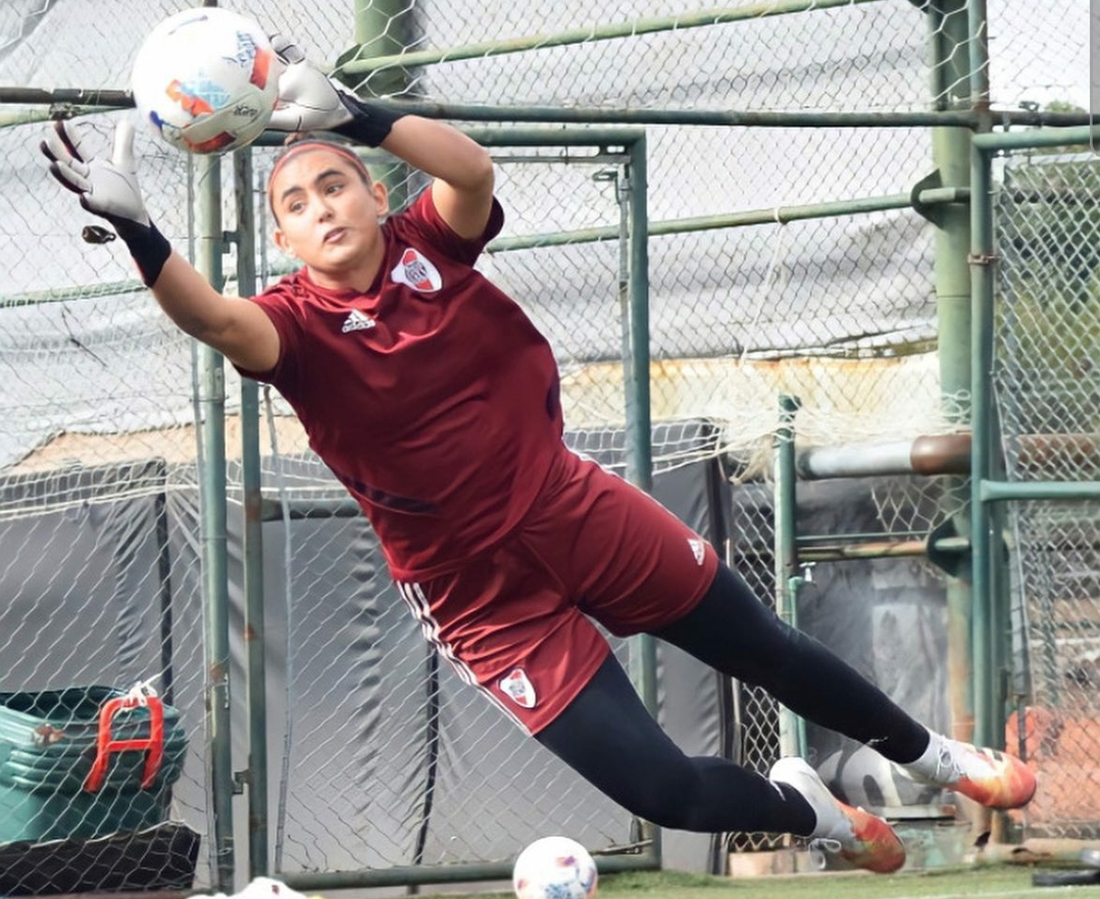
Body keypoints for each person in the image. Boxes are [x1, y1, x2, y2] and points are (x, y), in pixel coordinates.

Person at [40, 37, 1035, 875]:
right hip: (476, 595)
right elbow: (209, 317)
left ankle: (940, 756)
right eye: (296, 203)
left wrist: (354, 114)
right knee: (664, 788)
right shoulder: (288, 328)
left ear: (373, 196)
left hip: (570, 506)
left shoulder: (430, 241)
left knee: (762, 647)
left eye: (334, 184)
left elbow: (469, 171)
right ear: (285, 240)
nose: (322, 205)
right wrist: (138, 227)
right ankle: (805, 813)